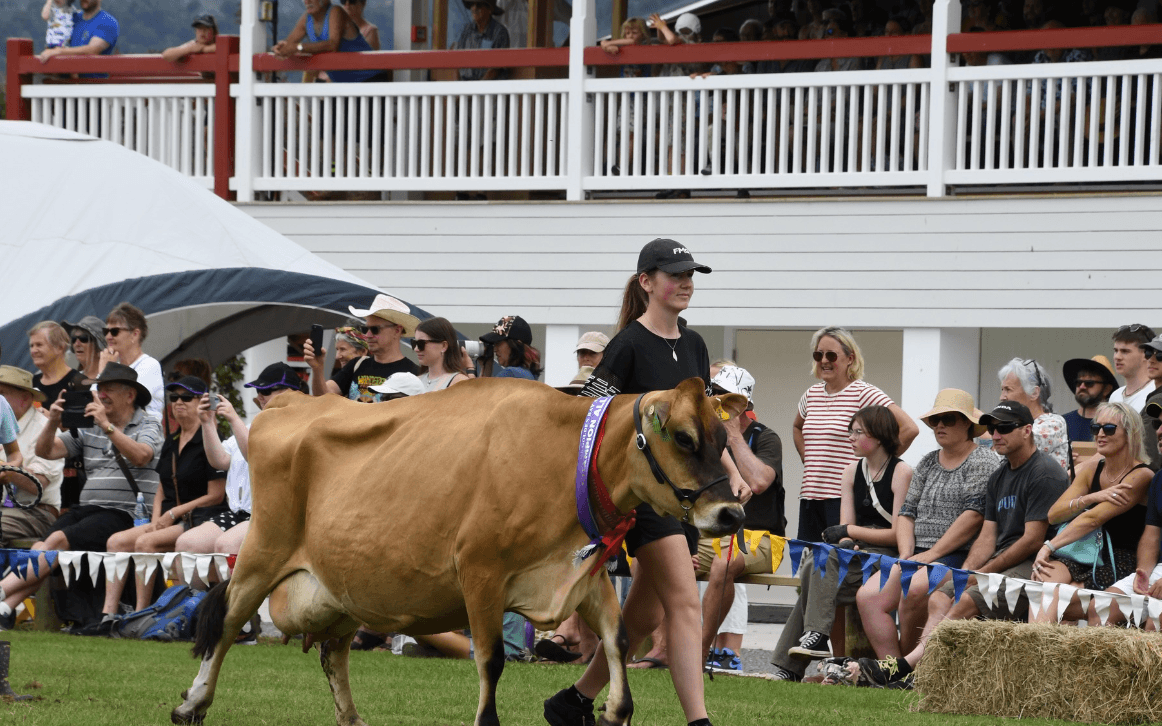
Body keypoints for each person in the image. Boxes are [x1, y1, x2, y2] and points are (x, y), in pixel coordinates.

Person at [544, 239, 751, 726]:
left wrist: (734, 473)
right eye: (675, 274)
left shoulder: (696, 344)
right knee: (683, 602)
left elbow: (698, 431)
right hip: (642, 499)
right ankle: (699, 721)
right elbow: (589, 420)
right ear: (647, 282)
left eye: (690, 275)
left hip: (686, 496)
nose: (685, 283)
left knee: (650, 611)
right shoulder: (628, 344)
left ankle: (573, 701)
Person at [846, 400, 1069, 688]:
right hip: (978, 558)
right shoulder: (998, 474)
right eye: (992, 427)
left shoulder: (1042, 472)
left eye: (1004, 428)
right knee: (936, 596)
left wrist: (978, 570)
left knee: (954, 596)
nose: (996, 434)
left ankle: (907, 669)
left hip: (1035, 563)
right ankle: (908, 672)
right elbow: (987, 535)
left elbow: (1030, 540)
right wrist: (967, 572)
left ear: (1027, 430)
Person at [0, 363, 162, 631]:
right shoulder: (89, 426)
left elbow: (142, 455)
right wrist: (52, 422)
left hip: (125, 513)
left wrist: (107, 426)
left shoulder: (148, 421)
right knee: (42, 548)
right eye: (99, 389)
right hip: (88, 509)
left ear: (130, 395)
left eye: (108, 389)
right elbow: (46, 451)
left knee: (57, 540)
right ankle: (5, 609)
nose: (101, 394)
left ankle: (3, 593)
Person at [771, 405, 909, 681]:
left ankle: (791, 663)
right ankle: (815, 637)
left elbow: (897, 533)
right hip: (858, 554)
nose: (851, 438)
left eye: (859, 432)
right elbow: (845, 531)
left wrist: (850, 532)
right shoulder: (850, 471)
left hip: (885, 557)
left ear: (880, 436)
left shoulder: (901, 471)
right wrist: (847, 541)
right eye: (851, 431)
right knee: (819, 557)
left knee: (816, 574)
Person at [855, 389, 996, 660]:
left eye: (948, 419)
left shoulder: (983, 460)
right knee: (869, 597)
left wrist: (931, 555)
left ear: (967, 423)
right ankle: (891, 669)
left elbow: (973, 516)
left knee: (914, 588)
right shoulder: (928, 461)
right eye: (935, 420)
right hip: (919, 553)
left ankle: (909, 670)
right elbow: (907, 512)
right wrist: (907, 554)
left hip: (958, 556)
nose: (940, 425)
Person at [103, 376, 226, 620]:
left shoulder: (211, 438)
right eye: (174, 398)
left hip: (198, 520)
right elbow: (161, 486)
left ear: (202, 401)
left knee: (144, 544)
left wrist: (173, 514)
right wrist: (156, 519)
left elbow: (216, 495)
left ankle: (140, 614)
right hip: (171, 518)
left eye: (186, 397)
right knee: (115, 542)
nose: (178, 402)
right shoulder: (172, 440)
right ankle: (107, 613)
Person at [793, 326, 918, 544]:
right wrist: (810, 459)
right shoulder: (810, 394)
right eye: (818, 354)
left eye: (831, 355)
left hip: (844, 499)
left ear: (850, 358)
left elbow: (909, 428)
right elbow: (797, 427)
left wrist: (881, 467)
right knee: (809, 566)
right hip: (810, 496)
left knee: (838, 568)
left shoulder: (864, 393)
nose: (824, 360)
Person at [1031, 402, 1151, 621]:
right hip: (1081, 550)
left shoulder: (1141, 475)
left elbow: (1093, 518)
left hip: (1117, 557)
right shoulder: (1091, 469)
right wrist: (1091, 497)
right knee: (1043, 584)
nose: (1100, 434)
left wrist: (1049, 546)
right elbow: (1054, 514)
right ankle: (1035, 652)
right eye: (1096, 429)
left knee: (1058, 600)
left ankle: (1044, 649)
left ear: (1130, 434)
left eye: (1110, 429)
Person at [699, 365, 783, 673]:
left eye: (725, 398)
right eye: (715, 395)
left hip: (763, 540)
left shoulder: (766, 437)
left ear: (744, 404)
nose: (717, 404)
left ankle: (699, 651)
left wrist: (733, 435)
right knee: (654, 553)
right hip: (712, 535)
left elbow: (759, 482)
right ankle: (661, 648)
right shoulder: (706, 435)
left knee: (724, 562)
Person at [1099, 411, 1162, 628]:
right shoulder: (1159, 478)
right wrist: (1143, 572)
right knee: (1101, 609)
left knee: (1156, 621)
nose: (1159, 431)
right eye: (1158, 423)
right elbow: (1151, 535)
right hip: (1159, 569)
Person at [304, 293, 420, 402]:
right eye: (365, 329)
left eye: (375, 329)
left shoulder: (414, 373)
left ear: (397, 330)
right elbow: (322, 398)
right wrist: (317, 368)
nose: (367, 335)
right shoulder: (356, 365)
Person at [0, 366, 62, 546]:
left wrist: (6, 468)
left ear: (25, 398)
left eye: (2, 393)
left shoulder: (45, 429)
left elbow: (39, 485)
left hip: (38, 513)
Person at [271, 0, 386, 82]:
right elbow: (290, 45)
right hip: (343, 85)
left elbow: (332, 44)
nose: (307, 1)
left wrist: (298, 47)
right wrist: (281, 48)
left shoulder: (336, 11)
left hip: (370, 80)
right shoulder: (307, 18)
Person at [997, 358, 1068, 472]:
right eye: (1002, 390)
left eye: (1008, 390)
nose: (1002, 397)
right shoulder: (1016, 424)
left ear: (1034, 393)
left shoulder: (1053, 424)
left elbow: (1006, 452)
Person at [100, 303, 165, 422]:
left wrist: (104, 371)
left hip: (143, 438)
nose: (108, 336)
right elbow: (93, 406)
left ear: (135, 334)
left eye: (114, 331)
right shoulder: (116, 367)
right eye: (106, 331)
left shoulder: (149, 365)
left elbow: (122, 404)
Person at [35, 0, 118, 63]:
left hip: (93, 83)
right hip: (65, 81)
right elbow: (48, 16)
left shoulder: (107, 21)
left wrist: (58, 51)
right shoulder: (72, 18)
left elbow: (92, 50)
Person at [29, 321, 85, 410]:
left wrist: (43, 413)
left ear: (59, 347)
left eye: (39, 345)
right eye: (31, 346)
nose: (33, 351)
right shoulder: (31, 384)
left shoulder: (79, 382)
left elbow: (79, 422)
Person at [1060, 355, 1117, 443]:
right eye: (1078, 382)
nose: (1082, 387)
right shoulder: (1061, 423)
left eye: (1089, 383)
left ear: (1106, 389)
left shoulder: (1113, 426)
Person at [453, 0, 510, 81]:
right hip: (465, 87)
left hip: (489, 89)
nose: (474, 8)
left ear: (490, 10)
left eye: (479, 5)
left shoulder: (500, 32)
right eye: (472, 5)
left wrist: (477, 90)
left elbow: (495, 69)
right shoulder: (467, 30)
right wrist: (457, 87)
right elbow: (456, 60)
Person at [413, 317, 471, 392]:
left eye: (421, 344)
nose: (416, 349)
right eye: (414, 343)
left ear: (444, 346)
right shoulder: (415, 381)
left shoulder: (459, 382)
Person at [1109, 324, 1157, 411]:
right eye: (1116, 351)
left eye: (1125, 351)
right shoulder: (1115, 396)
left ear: (1146, 354)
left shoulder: (1156, 392)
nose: (1117, 357)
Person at [479, 316, 542, 380]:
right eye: (494, 344)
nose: (495, 349)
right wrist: (487, 366)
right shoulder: (526, 373)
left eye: (498, 343)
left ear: (515, 345)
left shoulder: (510, 373)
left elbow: (482, 390)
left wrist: (470, 369)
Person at [1139, 336, 1162, 470]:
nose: (1151, 360)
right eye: (1148, 353)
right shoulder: (1153, 397)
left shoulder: (1157, 401)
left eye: (1160, 355)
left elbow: (1151, 453)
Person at [61, 316, 106, 380]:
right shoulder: (71, 383)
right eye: (74, 339)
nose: (77, 344)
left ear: (98, 346)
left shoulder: (114, 377)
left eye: (83, 338)